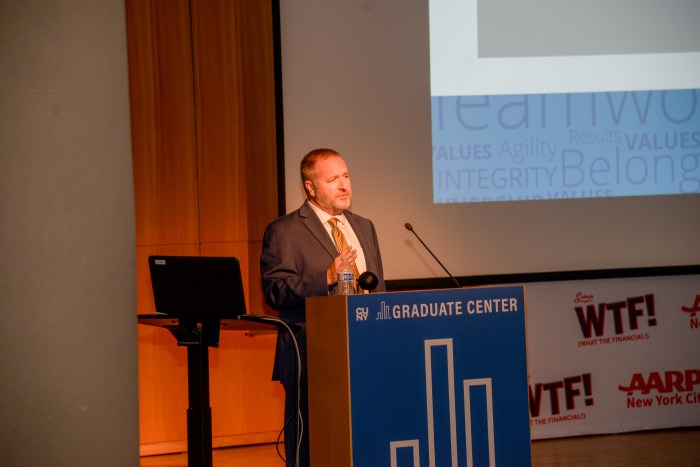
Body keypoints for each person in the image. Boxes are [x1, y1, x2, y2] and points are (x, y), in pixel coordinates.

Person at [260, 148, 385, 466]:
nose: (344, 186)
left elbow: (377, 288)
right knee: (311, 451)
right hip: (311, 358)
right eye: (333, 179)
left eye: (346, 176)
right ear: (310, 187)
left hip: (366, 353)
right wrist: (326, 277)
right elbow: (275, 292)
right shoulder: (285, 231)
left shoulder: (364, 226)